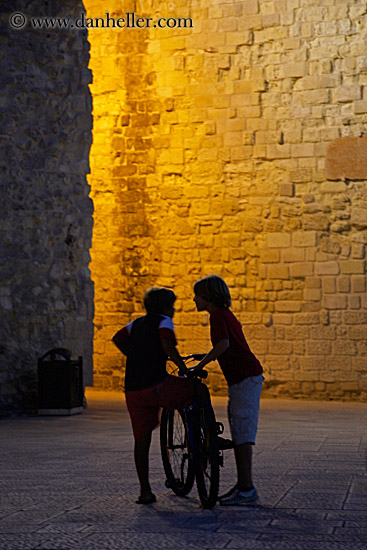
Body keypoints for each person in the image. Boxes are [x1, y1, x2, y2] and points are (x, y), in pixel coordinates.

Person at [112, 287, 208, 505]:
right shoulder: (164, 321)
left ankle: (145, 491)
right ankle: (201, 440)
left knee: (141, 439)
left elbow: (118, 339)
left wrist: (135, 355)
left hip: (134, 391)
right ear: (165, 307)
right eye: (172, 306)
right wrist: (183, 367)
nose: (174, 310)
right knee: (198, 390)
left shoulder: (135, 323)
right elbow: (167, 344)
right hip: (157, 385)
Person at [192, 275, 263, 505]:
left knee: (243, 434)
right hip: (242, 379)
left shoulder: (218, 317)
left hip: (245, 378)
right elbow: (224, 346)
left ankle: (247, 489)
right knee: (240, 432)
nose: (194, 300)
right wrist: (206, 356)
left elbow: (223, 345)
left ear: (208, 297)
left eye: (198, 295)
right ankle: (243, 485)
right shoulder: (223, 315)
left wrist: (200, 365)